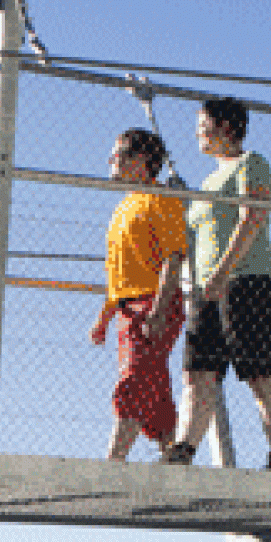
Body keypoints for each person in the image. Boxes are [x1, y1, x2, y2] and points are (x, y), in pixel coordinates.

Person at [159, 96, 271, 470]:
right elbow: (190, 237)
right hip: (208, 288)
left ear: (227, 128)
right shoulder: (207, 181)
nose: (198, 134)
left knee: (258, 372)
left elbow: (251, 216)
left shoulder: (253, 164)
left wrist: (222, 271)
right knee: (198, 371)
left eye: (204, 127)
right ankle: (183, 449)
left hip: (248, 280)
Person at [88, 128, 187, 460]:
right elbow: (119, 274)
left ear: (140, 160)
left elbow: (174, 257)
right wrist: (104, 319)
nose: (111, 161)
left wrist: (158, 310)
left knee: (135, 378)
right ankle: (174, 458)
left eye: (117, 155)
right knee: (153, 385)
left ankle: (113, 461)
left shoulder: (162, 199)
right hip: (129, 308)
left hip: (155, 301)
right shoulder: (122, 209)